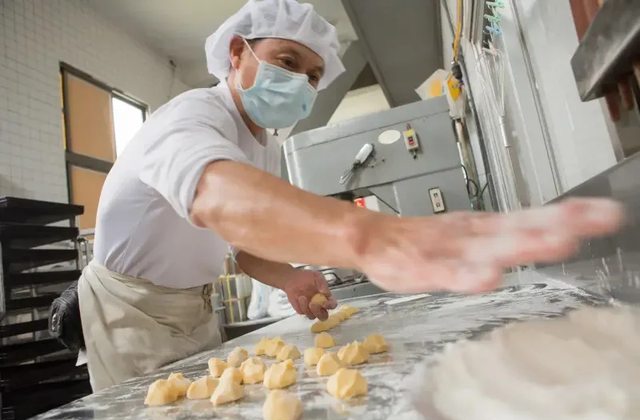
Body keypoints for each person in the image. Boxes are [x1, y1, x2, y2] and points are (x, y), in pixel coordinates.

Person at [77, 0, 623, 392]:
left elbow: (241, 244)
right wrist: (368, 237)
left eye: (313, 75)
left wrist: (290, 277)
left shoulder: (263, 143)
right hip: (132, 310)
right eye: (287, 62)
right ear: (238, 53)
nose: (302, 82)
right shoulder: (193, 115)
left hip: (192, 306)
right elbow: (215, 195)